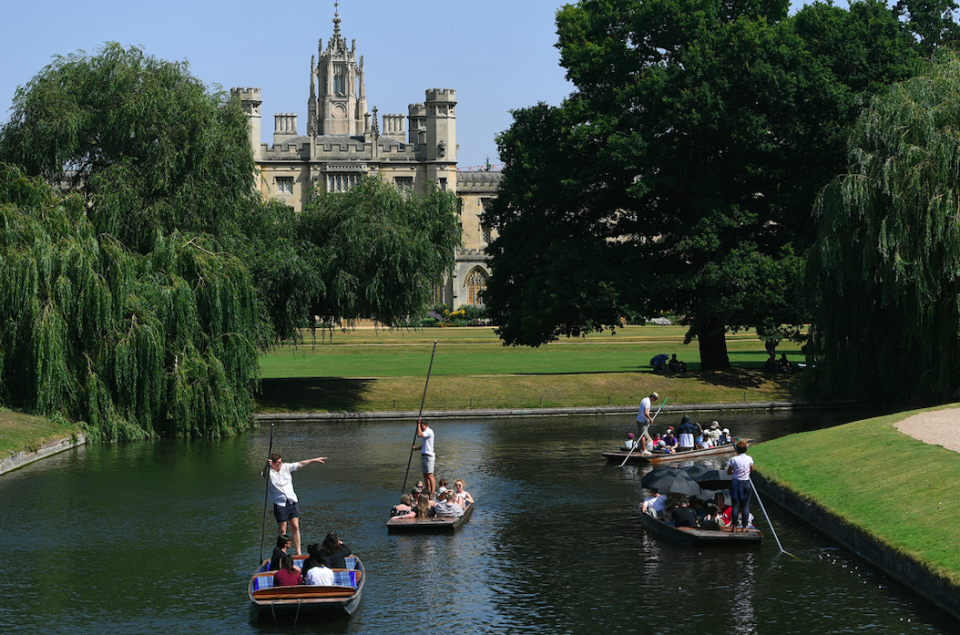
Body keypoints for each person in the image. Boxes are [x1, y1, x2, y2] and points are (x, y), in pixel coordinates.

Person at [261, 452, 327, 555]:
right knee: (283, 530)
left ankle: (298, 552)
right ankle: (283, 552)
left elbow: (300, 464)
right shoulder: (269, 472)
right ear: (272, 464)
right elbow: (264, 474)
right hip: (280, 504)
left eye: (281, 461)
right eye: (278, 462)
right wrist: (266, 465)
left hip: (292, 501)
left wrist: (314, 460)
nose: (281, 463)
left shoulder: (285, 467)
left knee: (295, 526)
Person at [727, 441, 755, 532]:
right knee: (745, 506)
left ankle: (734, 526)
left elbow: (729, 472)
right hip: (746, 482)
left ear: (737, 450)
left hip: (736, 482)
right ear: (745, 449)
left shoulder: (734, 459)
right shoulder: (749, 458)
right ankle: (744, 527)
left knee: (735, 506)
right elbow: (751, 469)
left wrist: (734, 472)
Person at [412, 419, 436, 496]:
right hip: (424, 456)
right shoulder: (425, 433)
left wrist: (418, 424)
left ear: (426, 425)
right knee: (425, 475)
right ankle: (428, 491)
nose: (421, 428)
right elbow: (424, 446)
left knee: (430, 475)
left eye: (422, 426)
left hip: (429, 457)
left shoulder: (429, 431)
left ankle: (432, 493)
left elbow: (419, 435)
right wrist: (416, 449)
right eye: (421, 427)